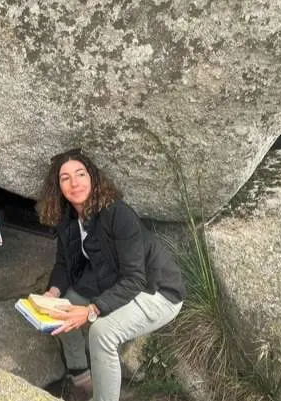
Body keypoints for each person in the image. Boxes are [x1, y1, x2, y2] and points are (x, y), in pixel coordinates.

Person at [36, 148, 186, 401]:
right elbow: (63, 264)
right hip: (113, 283)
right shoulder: (69, 218)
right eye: (65, 178)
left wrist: (92, 310)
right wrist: (52, 293)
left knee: (102, 333)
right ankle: (81, 378)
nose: (75, 183)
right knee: (62, 306)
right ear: (57, 187)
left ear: (92, 177)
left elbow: (136, 279)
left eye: (80, 174)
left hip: (157, 291)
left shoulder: (117, 213)